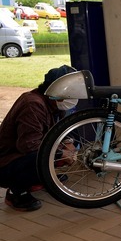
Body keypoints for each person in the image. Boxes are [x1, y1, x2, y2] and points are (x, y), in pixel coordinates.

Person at [0, 65, 77, 211]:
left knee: (66, 147)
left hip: (20, 155)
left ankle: (42, 177)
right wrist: (61, 154)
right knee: (43, 155)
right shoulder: (33, 104)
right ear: (56, 90)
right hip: (6, 163)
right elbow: (28, 145)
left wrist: (68, 144)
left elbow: (62, 129)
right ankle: (16, 191)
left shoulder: (54, 103)